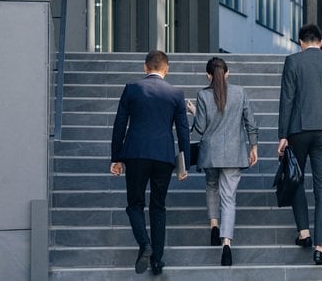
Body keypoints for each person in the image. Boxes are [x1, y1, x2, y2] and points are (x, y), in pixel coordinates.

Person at [110, 50, 190, 275]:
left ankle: (144, 244)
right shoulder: (176, 93)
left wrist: (116, 158)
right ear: (167, 69)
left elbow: (119, 125)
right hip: (163, 156)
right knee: (158, 206)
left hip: (135, 154)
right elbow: (183, 131)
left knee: (135, 204)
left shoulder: (132, 89)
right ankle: (157, 260)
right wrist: (185, 164)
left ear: (145, 68)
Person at [277, 23, 322, 265]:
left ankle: (304, 233)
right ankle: (321, 248)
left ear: (301, 42)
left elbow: (287, 100)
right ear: (321, 42)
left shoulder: (293, 62)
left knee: (296, 177)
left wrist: (283, 135)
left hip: (298, 129)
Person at [187, 57, 258, 267]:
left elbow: (199, 128)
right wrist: (253, 146)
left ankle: (214, 225)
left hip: (210, 153)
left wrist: (193, 112)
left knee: (211, 186)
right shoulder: (239, 92)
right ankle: (226, 243)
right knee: (229, 198)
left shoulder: (203, 95)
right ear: (227, 73)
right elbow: (250, 122)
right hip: (234, 153)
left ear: (208, 75)